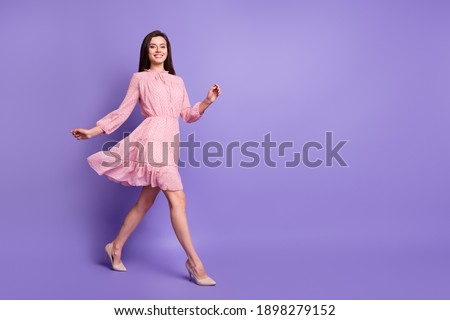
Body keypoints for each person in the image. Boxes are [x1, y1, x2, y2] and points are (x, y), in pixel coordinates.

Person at [70, 30, 221, 286]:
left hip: (170, 142)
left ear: (168, 51)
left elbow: (186, 114)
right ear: (147, 51)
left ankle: (115, 247)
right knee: (178, 198)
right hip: (150, 140)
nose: (158, 50)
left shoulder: (178, 81)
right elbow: (122, 111)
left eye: (162, 46)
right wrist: (93, 131)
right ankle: (195, 263)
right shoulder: (139, 78)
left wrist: (206, 102)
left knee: (144, 203)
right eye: (153, 47)